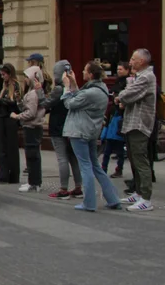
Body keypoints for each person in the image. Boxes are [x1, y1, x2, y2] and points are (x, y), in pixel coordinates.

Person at [62, 62, 122, 212]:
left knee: (85, 166)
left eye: (84, 70)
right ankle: (113, 199)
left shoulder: (90, 92)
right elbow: (80, 97)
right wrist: (74, 83)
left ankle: (89, 203)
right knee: (95, 165)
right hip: (91, 131)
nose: (82, 71)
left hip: (80, 131)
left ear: (90, 74)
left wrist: (66, 86)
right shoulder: (100, 89)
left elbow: (70, 103)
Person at [116, 48, 156, 211]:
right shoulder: (139, 77)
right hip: (132, 123)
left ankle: (146, 199)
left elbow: (127, 95)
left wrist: (121, 96)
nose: (130, 62)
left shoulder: (146, 77)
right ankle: (138, 193)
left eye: (133, 59)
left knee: (140, 161)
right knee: (134, 160)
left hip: (139, 124)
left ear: (141, 61)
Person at [46, 60, 83, 199]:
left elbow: (45, 103)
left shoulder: (59, 89)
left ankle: (63, 189)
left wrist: (38, 92)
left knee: (62, 158)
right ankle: (78, 187)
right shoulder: (74, 87)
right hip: (71, 126)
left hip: (58, 126)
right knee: (73, 158)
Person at [13, 66, 46, 193]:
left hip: (32, 126)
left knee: (32, 155)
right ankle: (34, 182)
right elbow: (26, 108)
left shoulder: (33, 94)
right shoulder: (32, 92)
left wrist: (17, 116)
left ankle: (34, 182)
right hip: (32, 126)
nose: (25, 79)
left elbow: (31, 113)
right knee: (32, 155)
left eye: (27, 77)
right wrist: (19, 101)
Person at [0, 63, 22, 184]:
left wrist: (0, 99)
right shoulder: (5, 86)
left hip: (10, 118)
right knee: (2, 147)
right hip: (2, 117)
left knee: (11, 147)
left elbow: (16, 103)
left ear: (9, 74)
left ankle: (13, 175)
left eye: (4, 74)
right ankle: (4, 174)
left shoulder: (15, 86)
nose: (2, 77)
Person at [101, 61, 129, 178]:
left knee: (119, 148)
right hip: (113, 116)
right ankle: (103, 168)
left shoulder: (128, 83)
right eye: (117, 69)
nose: (118, 71)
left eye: (121, 69)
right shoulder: (117, 82)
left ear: (127, 70)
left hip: (120, 118)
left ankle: (119, 169)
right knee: (107, 147)